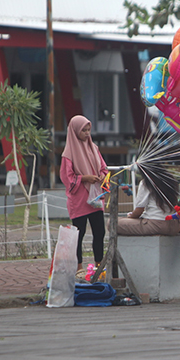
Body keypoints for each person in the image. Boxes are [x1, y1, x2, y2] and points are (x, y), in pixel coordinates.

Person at [59, 115, 108, 275]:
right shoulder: (68, 154)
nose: (87, 133)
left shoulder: (94, 148)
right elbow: (68, 178)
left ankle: (99, 265)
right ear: (74, 131)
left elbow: (103, 168)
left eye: (88, 130)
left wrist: (101, 176)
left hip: (94, 199)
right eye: (83, 131)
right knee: (78, 235)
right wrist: (85, 178)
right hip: (79, 199)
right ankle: (79, 267)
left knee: (99, 231)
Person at [117, 166, 180, 236]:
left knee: (113, 222)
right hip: (175, 225)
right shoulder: (171, 179)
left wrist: (131, 216)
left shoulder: (146, 182)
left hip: (156, 224)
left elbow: (139, 211)